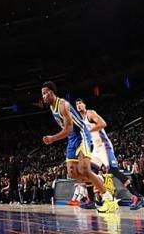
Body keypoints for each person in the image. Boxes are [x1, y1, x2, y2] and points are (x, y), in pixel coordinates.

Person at [41, 81, 117, 213]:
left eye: (45, 93)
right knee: (72, 173)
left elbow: (69, 129)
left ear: (51, 92)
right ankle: (99, 179)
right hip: (72, 138)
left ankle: (109, 199)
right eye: (42, 94)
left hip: (82, 134)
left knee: (84, 169)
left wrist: (52, 138)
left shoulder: (63, 105)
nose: (43, 97)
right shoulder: (52, 107)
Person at [75, 98, 144, 210]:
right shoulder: (80, 120)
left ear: (84, 104)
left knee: (113, 170)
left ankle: (138, 197)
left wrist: (88, 131)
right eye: (76, 104)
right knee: (88, 171)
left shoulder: (90, 113)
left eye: (80, 103)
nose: (78, 105)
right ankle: (92, 200)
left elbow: (103, 123)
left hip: (104, 146)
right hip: (95, 149)